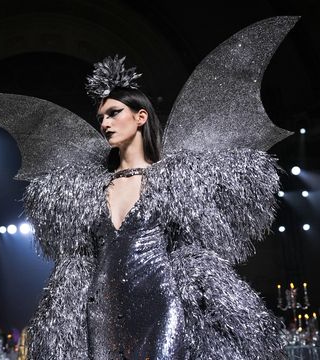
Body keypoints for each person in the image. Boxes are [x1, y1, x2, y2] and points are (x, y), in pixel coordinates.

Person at [23, 54, 287, 359]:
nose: (105, 123)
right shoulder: (86, 191)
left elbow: (193, 241)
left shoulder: (175, 182)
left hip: (161, 304)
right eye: (101, 118)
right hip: (102, 310)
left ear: (141, 116)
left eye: (114, 113)